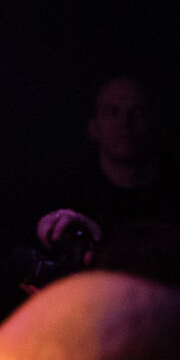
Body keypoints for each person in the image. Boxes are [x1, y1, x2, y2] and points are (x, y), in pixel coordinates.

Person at [29, 74, 180, 280]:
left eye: (138, 112)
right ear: (93, 126)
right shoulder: (69, 201)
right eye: (112, 112)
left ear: (156, 121)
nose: (125, 122)